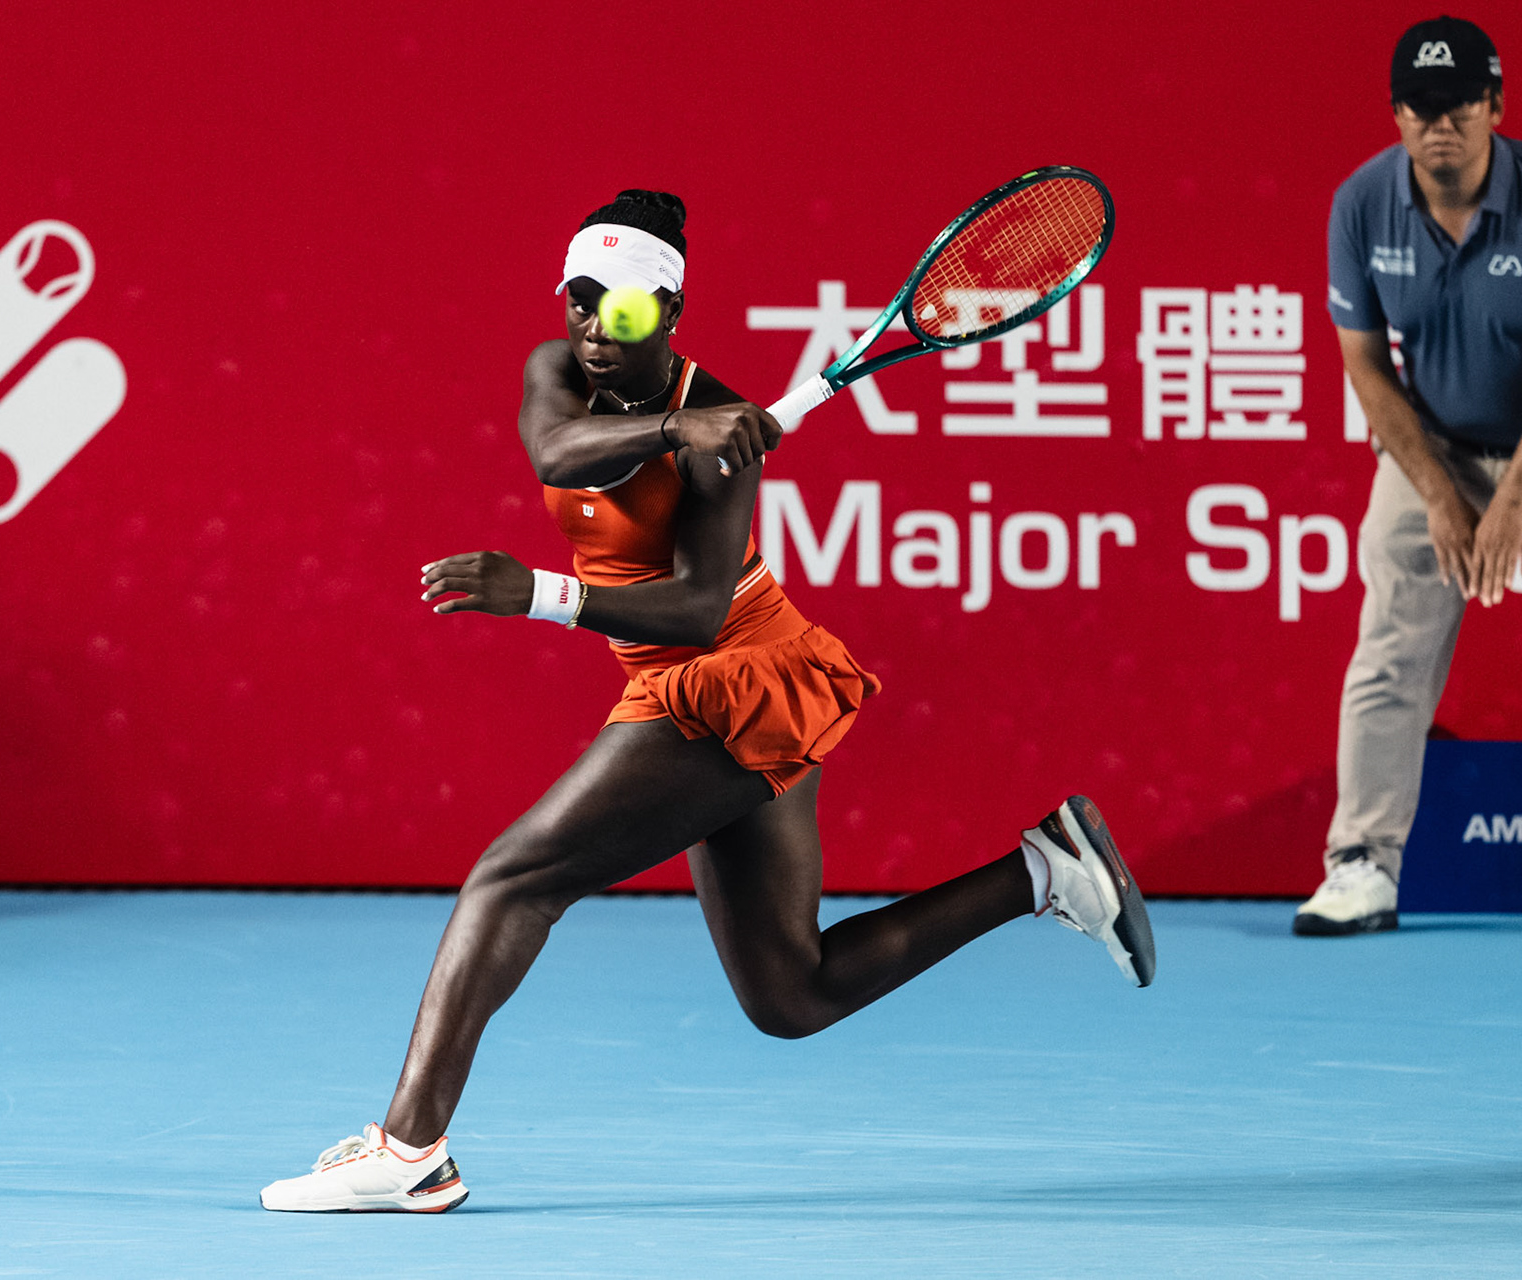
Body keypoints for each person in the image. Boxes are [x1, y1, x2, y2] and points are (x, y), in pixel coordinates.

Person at [261, 190, 1155, 1213]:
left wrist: (545, 590)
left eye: (626, 311)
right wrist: (679, 426)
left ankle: (410, 1145)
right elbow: (556, 452)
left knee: (512, 879)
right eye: (580, 301)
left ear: (672, 315)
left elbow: (691, 609)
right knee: (793, 991)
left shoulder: (721, 432)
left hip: (734, 672)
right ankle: (1043, 870)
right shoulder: (563, 371)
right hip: (693, 675)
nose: (597, 329)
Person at [1300, 16, 1522, 936]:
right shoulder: (1361, 204)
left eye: (1460, 104)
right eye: (1422, 106)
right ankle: (1361, 864)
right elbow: (1366, 365)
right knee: (1389, 650)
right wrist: (1442, 497)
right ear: (1398, 114)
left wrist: (1511, 499)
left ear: (1495, 107)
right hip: (1431, 444)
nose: (1442, 124)